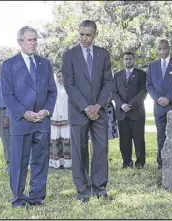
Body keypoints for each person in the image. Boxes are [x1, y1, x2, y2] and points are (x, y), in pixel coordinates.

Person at [1, 26, 57, 208]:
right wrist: (24, 113)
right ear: (20, 42)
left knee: (40, 161)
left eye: (35, 39)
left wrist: (46, 111)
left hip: (42, 121)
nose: (33, 43)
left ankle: (37, 197)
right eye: (29, 40)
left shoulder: (45, 63)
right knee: (19, 162)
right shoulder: (9, 65)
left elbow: (52, 92)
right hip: (21, 121)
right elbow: (7, 95)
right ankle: (18, 197)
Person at [62, 20, 113, 205]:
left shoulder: (104, 54)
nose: (84, 38)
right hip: (78, 111)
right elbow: (69, 85)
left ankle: (100, 188)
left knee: (101, 149)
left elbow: (108, 82)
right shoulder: (69, 55)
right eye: (81, 34)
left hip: (99, 111)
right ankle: (83, 190)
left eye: (88, 35)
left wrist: (98, 105)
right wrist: (86, 107)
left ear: (95, 35)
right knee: (80, 151)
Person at [146, 39, 172, 170]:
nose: (162, 51)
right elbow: (149, 85)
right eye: (159, 49)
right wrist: (158, 99)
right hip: (159, 107)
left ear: (169, 48)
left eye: (164, 49)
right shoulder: (152, 66)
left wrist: (169, 98)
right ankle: (161, 163)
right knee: (161, 135)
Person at [112, 52, 147, 169]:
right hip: (122, 113)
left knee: (139, 139)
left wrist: (130, 105)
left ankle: (140, 163)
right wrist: (122, 105)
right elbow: (114, 92)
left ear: (134, 60)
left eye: (130, 59)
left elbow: (143, 92)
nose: (128, 61)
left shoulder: (141, 74)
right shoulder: (117, 76)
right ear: (123, 61)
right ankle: (127, 162)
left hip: (137, 112)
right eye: (126, 59)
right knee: (124, 140)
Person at [49, 70, 72, 169]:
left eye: (63, 76)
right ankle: (56, 163)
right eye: (59, 76)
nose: (61, 78)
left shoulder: (70, 89)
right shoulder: (53, 89)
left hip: (67, 119)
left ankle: (67, 163)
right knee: (55, 140)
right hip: (54, 119)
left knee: (66, 140)